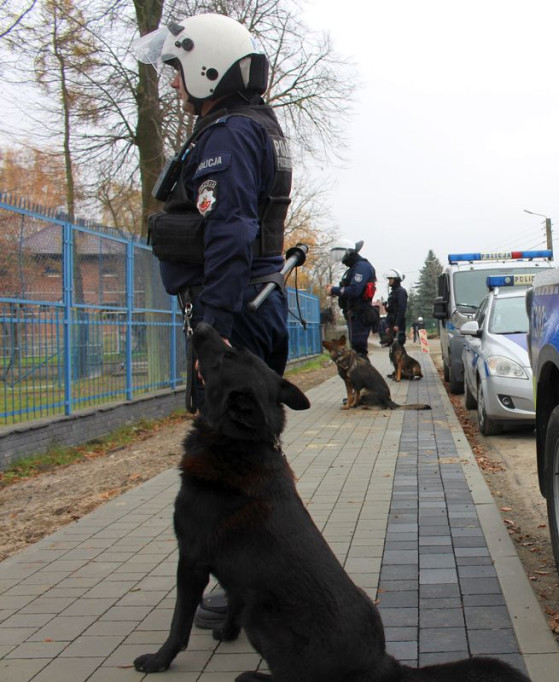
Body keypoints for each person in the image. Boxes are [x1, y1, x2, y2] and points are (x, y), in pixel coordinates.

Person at [133, 12, 293, 632]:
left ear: (208, 65)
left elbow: (227, 231)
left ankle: (243, 587)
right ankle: (254, 582)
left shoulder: (228, 134)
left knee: (232, 459)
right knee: (253, 453)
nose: (175, 84)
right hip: (257, 301)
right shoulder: (259, 126)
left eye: (179, 71)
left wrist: (216, 331)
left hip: (237, 310)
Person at [329, 239, 377, 359]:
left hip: (360, 314)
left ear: (349, 253)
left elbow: (355, 290)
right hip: (355, 314)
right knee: (356, 348)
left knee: (359, 351)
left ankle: (366, 376)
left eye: (342, 256)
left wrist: (333, 290)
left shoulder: (361, 267)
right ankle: (362, 376)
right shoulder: (355, 268)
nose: (342, 261)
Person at [383, 269, 408, 345]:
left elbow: (401, 309)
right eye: (389, 279)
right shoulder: (393, 292)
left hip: (397, 325)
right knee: (391, 348)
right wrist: (386, 306)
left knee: (398, 348)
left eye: (391, 279)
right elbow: (391, 310)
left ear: (396, 280)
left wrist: (397, 324)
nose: (389, 281)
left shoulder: (401, 292)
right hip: (391, 324)